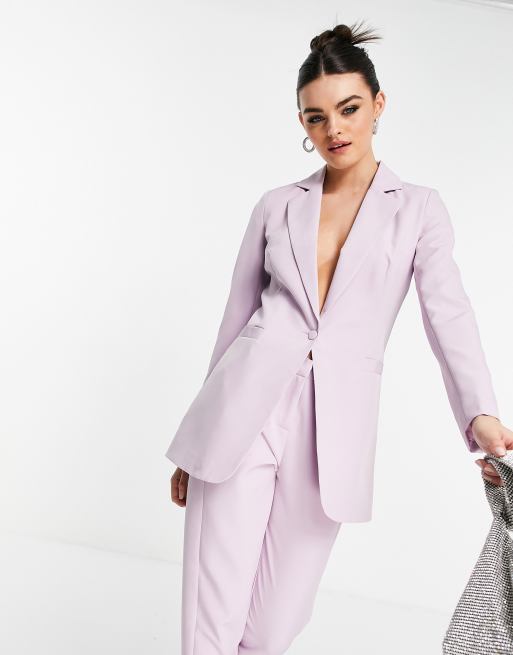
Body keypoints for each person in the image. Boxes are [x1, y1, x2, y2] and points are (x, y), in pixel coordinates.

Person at [166, 20, 512, 654]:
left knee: (273, 625)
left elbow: (448, 314)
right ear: (302, 122)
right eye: (316, 117)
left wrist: (479, 413)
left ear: (378, 105)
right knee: (211, 619)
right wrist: (197, 438)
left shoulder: (418, 209)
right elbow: (235, 319)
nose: (335, 130)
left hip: (332, 432)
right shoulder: (277, 204)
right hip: (240, 412)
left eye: (349, 109)